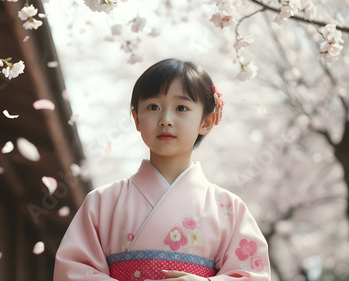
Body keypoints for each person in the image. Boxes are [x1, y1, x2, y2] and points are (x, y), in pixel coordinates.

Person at [54, 59, 270, 281]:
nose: (166, 120)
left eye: (181, 108)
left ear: (206, 121)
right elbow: (72, 271)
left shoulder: (229, 209)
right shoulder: (101, 202)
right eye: (153, 107)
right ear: (136, 118)